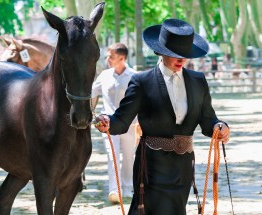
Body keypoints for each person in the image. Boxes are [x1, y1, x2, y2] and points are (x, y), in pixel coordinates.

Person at [94, 19, 230, 215]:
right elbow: (122, 120)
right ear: (161, 50)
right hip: (151, 166)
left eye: (185, 53)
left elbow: (208, 120)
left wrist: (220, 127)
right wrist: (107, 123)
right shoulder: (141, 81)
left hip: (183, 167)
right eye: (175, 54)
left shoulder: (198, 81)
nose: (181, 58)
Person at [91, 43, 137, 204]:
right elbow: (90, 93)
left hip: (131, 125)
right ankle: (114, 189)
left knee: (129, 157)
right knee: (112, 156)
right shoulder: (104, 76)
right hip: (108, 124)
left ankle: (127, 187)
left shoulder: (134, 76)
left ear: (122, 58)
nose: (107, 59)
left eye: (111, 56)